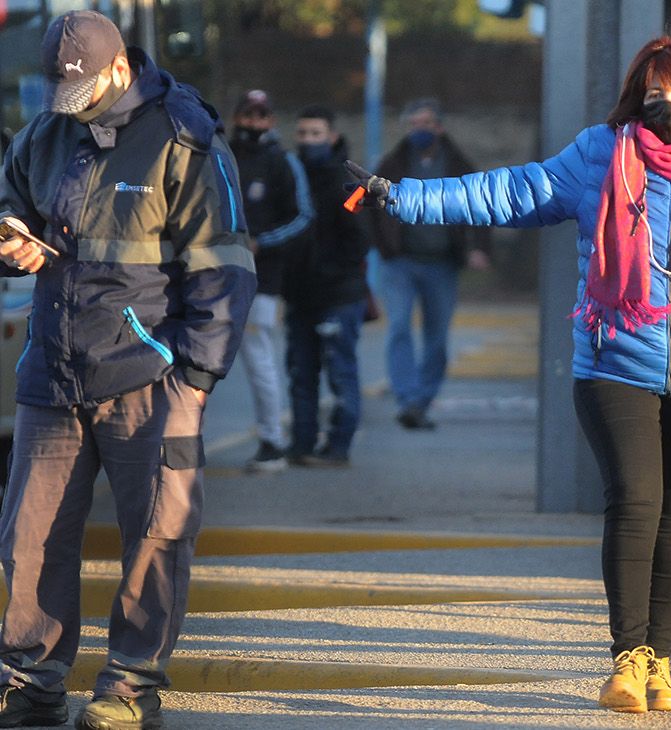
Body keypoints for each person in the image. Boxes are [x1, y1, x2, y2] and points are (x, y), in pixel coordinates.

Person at [347, 35, 671, 713]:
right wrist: (403, 197)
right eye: (653, 87)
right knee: (636, 502)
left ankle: (661, 665)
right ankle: (627, 659)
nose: (665, 100)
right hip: (614, 359)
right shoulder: (601, 154)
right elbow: (509, 192)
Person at [0, 11, 254, 729]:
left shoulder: (185, 139)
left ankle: (130, 687)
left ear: (118, 70)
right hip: (53, 366)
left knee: (157, 533)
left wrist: (196, 377)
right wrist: (11, 236)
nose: (69, 110)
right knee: (30, 533)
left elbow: (225, 264)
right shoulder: (45, 131)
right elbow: (10, 197)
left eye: (80, 94)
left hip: (151, 374)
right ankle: (29, 677)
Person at [368, 98, 490, 430]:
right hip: (400, 263)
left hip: (442, 264)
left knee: (437, 337)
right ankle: (407, 398)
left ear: (439, 127)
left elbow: (480, 203)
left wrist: (478, 248)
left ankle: (421, 400)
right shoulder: (393, 163)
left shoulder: (458, 164)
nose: (418, 130)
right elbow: (373, 206)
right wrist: (384, 248)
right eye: (413, 124)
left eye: (425, 124)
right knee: (399, 328)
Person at [229, 89, 314, 472]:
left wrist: (262, 242)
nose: (253, 122)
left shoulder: (282, 162)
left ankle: (272, 440)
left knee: (258, 357)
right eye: (247, 114)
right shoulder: (219, 155)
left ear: (272, 121)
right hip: (213, 273)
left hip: (263, 277)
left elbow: (302, 216)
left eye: (261, 115)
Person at [282, 105, 369, 467]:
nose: (307, 140)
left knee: (340, 373)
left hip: (338, 294)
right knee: (301, 374)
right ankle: (301, 445)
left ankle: (338, 447)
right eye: (302, 133)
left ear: (331, 137)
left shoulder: (349, 182)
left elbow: (361, 237)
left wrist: (330, 272)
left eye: (315, 133)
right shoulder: (290, 176)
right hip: (300, 295)